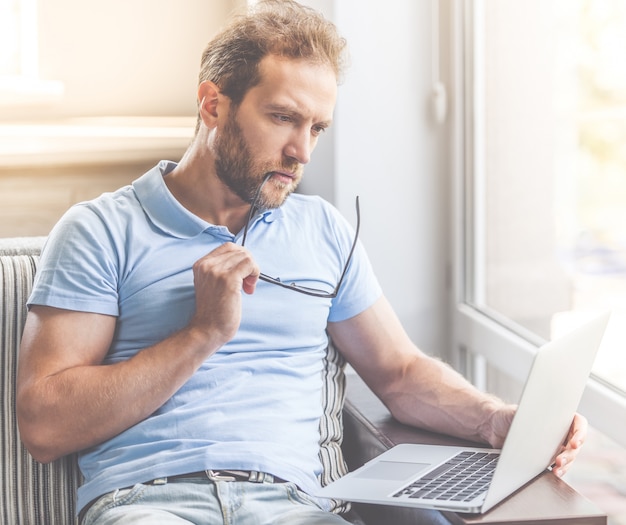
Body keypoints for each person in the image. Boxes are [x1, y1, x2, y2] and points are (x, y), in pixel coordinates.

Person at [16, 1, 587, 524]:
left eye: (317, 127)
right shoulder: (100, 230)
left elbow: (401, 374)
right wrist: (202, 334)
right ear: (213, 103)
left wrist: (497, 420)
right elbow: (45, 426)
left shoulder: (323, 232)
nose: (302, 152)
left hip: (293, 506)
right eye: (284, 118)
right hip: (149, 503)